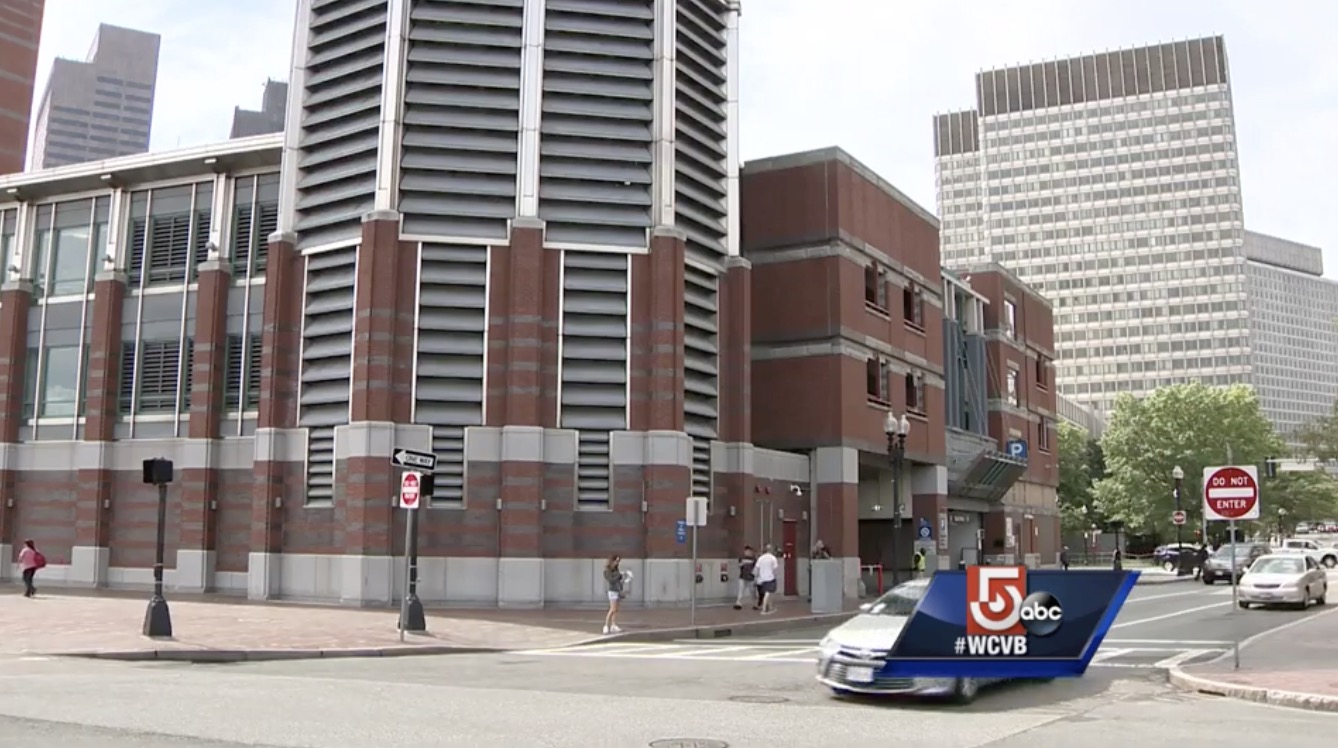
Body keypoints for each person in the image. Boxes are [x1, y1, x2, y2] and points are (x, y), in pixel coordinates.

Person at [754, 544, 779, 615]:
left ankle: (770, 607)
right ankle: (764, 609)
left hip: (762, 578)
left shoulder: (761, 558)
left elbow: (756, 569)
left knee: (766, 593)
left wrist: (757, 578)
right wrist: (775, 576)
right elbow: (775, 569)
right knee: (768, 593)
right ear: (771, 550)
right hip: (770, 578)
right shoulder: (773, 558)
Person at [602, 555, 624, 634]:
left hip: (617, 590)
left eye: (618, 561)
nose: (617, 563)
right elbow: (611, 580)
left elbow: (619, 580)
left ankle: (613, 625)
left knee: (616, 609)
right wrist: (618, 575)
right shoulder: (607, 571)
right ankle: (606, 625)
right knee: (612, 609)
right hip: (612, 591)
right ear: (612, 561)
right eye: (616, 561)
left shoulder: (616, 569)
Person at [734, 545, 757, 610]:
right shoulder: (741, 558)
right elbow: (739, 565)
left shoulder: (753, 558)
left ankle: (755, 603)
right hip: (742, 576)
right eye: (746, 551)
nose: (747, 552)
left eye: (749, 551)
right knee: (741, 590)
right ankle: (738, 603)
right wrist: (742, 564)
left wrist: (755, 575)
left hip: (751, 577)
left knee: (752, 591)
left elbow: (756, 568)